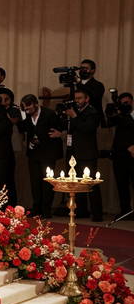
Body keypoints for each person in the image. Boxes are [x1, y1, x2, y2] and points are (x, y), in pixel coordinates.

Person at [56, 88, 103, 221]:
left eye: (80, 98)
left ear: (87, 99)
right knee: (76, 183)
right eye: (75, 98)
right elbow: (68, 128)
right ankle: (82, 210)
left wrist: (74, 117)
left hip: (87, 153)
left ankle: (97, 214)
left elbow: (87, 128)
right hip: (73, 152)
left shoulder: (92, 112)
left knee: (91, 183)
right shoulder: (74, 111)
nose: (77, 101)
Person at [18, 94, 64, 219]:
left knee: (47, 182)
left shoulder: (49, 114)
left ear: (36, 104)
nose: (27, 110)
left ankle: (46, 209)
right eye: (24, 108)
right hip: (33, 153)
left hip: (48, 153)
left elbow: (59, 129)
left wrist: (56, 135)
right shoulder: (27, 116)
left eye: (29, 107)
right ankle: (36, 208)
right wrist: (22, 116)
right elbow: (22, 128)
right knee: (35, 182)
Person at [104, 92, 134, 220]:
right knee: (122, 185)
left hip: (133, 156)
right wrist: (111, 112)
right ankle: (125, 211)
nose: (125, 105)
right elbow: (108, 123)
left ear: (132, 102)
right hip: (120, 156)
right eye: (122, 104)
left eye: (127, 103)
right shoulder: (120, 116)